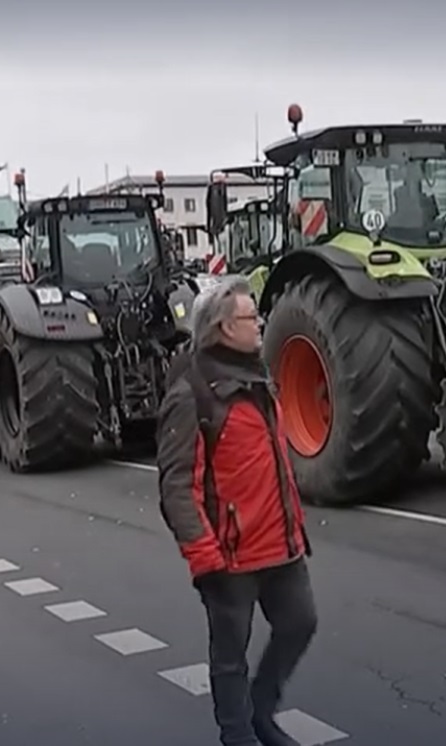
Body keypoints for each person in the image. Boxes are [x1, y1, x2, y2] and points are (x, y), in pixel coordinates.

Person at [156, 277, 317, 746]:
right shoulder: (193, 394)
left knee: (299, 623)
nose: (260, 325)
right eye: (252, 318)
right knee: (230, 657)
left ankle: (261, 711)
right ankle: (238, 736)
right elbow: (177, 487)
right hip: (228, 557)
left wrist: (295, 529)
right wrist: (205, 557)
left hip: (281, 547)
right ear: (225, 328)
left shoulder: (258, 376)